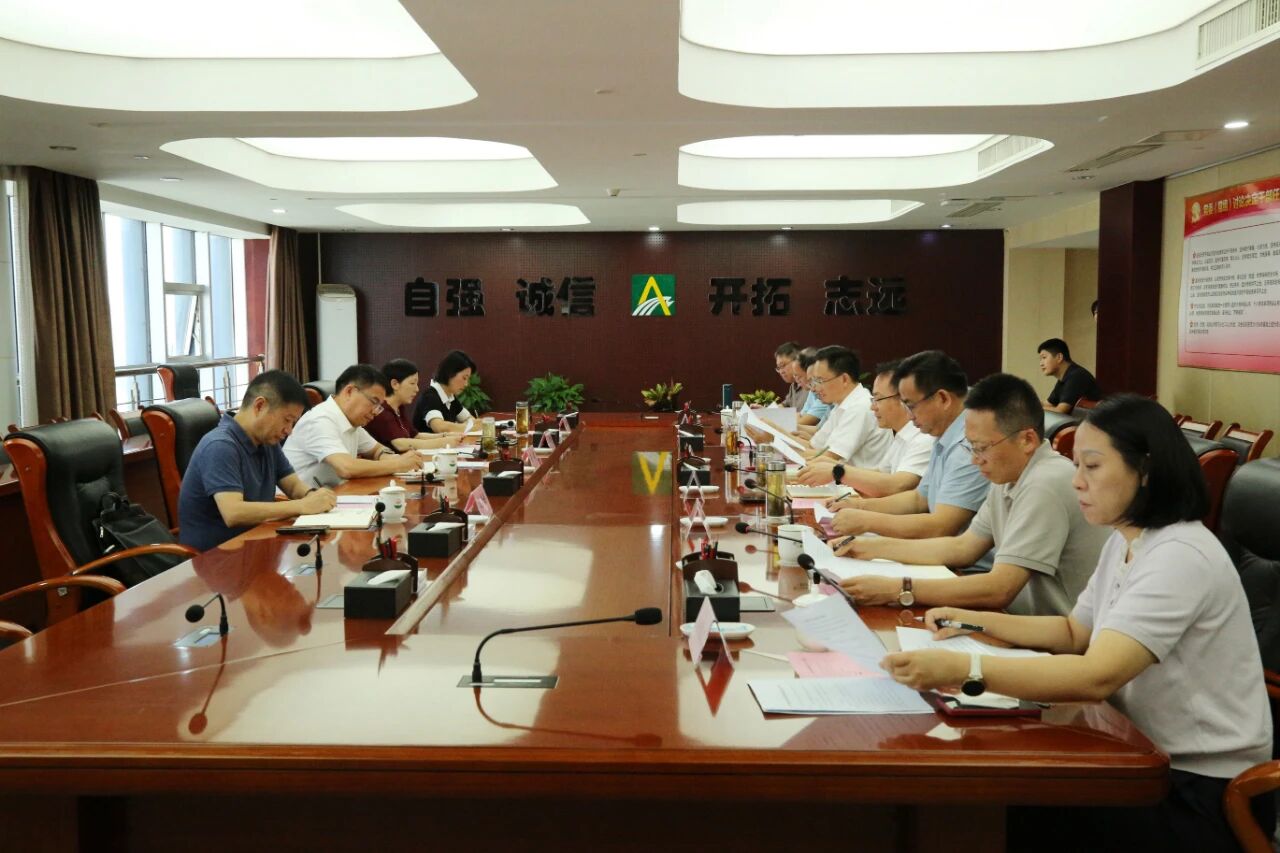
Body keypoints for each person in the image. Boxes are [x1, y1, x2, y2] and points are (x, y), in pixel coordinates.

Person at [881, 395, 1272, 852]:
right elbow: (1074, 633)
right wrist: (974, 621)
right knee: (998, 800)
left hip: (1197, 790)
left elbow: (1095, 675)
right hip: (1136, 750)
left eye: (1092, 466)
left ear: (1145, 469)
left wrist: (964, 669)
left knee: (999, 807)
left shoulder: (1179, 555)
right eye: (1077, 465)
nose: (1077, 481)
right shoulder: (1129, 538)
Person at [836, 373, 1109, 615]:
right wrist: (868, 548)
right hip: (1011, 618)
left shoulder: (1045, 482)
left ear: (1027, 440)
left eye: (981, 448)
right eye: (971, 447)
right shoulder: (1008, 474)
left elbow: (1000, 588)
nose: (974, 459)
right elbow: (963, 547)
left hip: (1051, 637)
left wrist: (899, 589)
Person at [828, 351, 990, 553]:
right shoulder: (944, 432)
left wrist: (868, 521)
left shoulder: (970, 444)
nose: (908, 414)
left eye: (910, 405)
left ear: (942, 399)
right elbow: (918, 499)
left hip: (957, 563)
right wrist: (858, 507)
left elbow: (941, 526)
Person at [178, 370, 337, 552]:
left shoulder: (266, 441)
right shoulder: (220, 446)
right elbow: (233, 513)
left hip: (255, 544)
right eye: (287, 420)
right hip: (216, 557)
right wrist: (302, 506)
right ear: (260, 406)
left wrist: (313, 495)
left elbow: (293, 486)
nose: (289, 430)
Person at [793, 359, 933, 493]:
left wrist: (838, 471)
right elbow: (881, 473)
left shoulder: (923, 438)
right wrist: (836, 468)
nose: (873, 407)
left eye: (878, 399)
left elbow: (897, 485)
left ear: (903, 399)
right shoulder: (903, 434)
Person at [283, 363, 420, 487]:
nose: (376, 412)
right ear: (349, 391)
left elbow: (376, 450)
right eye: (374, 402)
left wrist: (392, 457)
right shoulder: (320, 420)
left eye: (379, 406)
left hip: (333, 496)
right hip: (299, 502)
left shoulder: (352, 422)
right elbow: (346, 468)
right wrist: (397, 464)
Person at [797, 346, 893, 469]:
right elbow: (814, 447)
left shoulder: (859, 407)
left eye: (820, 381)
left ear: (844, 379)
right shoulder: (841, 405)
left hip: (859, 480)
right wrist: (777, 435)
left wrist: (778, 439)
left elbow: (828, 458)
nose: (815, 388)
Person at [365, 358, 462, 452]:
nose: (417, 389)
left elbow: (415, 436)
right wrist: (443, 442)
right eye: (412, 383)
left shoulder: (399, 408)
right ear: (395, 384)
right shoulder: (382, 410)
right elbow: (401, 444)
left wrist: (445, 436)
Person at [413, 350, 477, 434]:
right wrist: (468, 427)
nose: (466, 384)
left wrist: (472, 425)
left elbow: (469, 419)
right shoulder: (430, 397)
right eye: (464, 378)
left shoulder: (450, 397)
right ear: (450, 373)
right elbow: (440, 427)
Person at [1038, 337, 1101, 413]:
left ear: (1059, 357)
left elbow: (1060, 411)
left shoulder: (1077, 376)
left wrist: (1034, 408)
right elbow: (1049, 404)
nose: (1041, 364)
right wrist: (1029, 403)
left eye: (1044, 357)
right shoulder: (1064, 378)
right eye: (1040, 359)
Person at [793, 347, 833, 433]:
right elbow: (820, 431)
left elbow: (802, 421)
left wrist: (783, 425)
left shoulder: (826, 395)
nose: (813, 389)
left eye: (818, 380)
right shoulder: (816, 391)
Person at [774, 341, 807, 410]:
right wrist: (764, 410)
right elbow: (784, 405)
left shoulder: (811, 385)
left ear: (797, 361)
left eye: (783, 365)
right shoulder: (793, 385)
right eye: (779, 368)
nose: (781, 372)